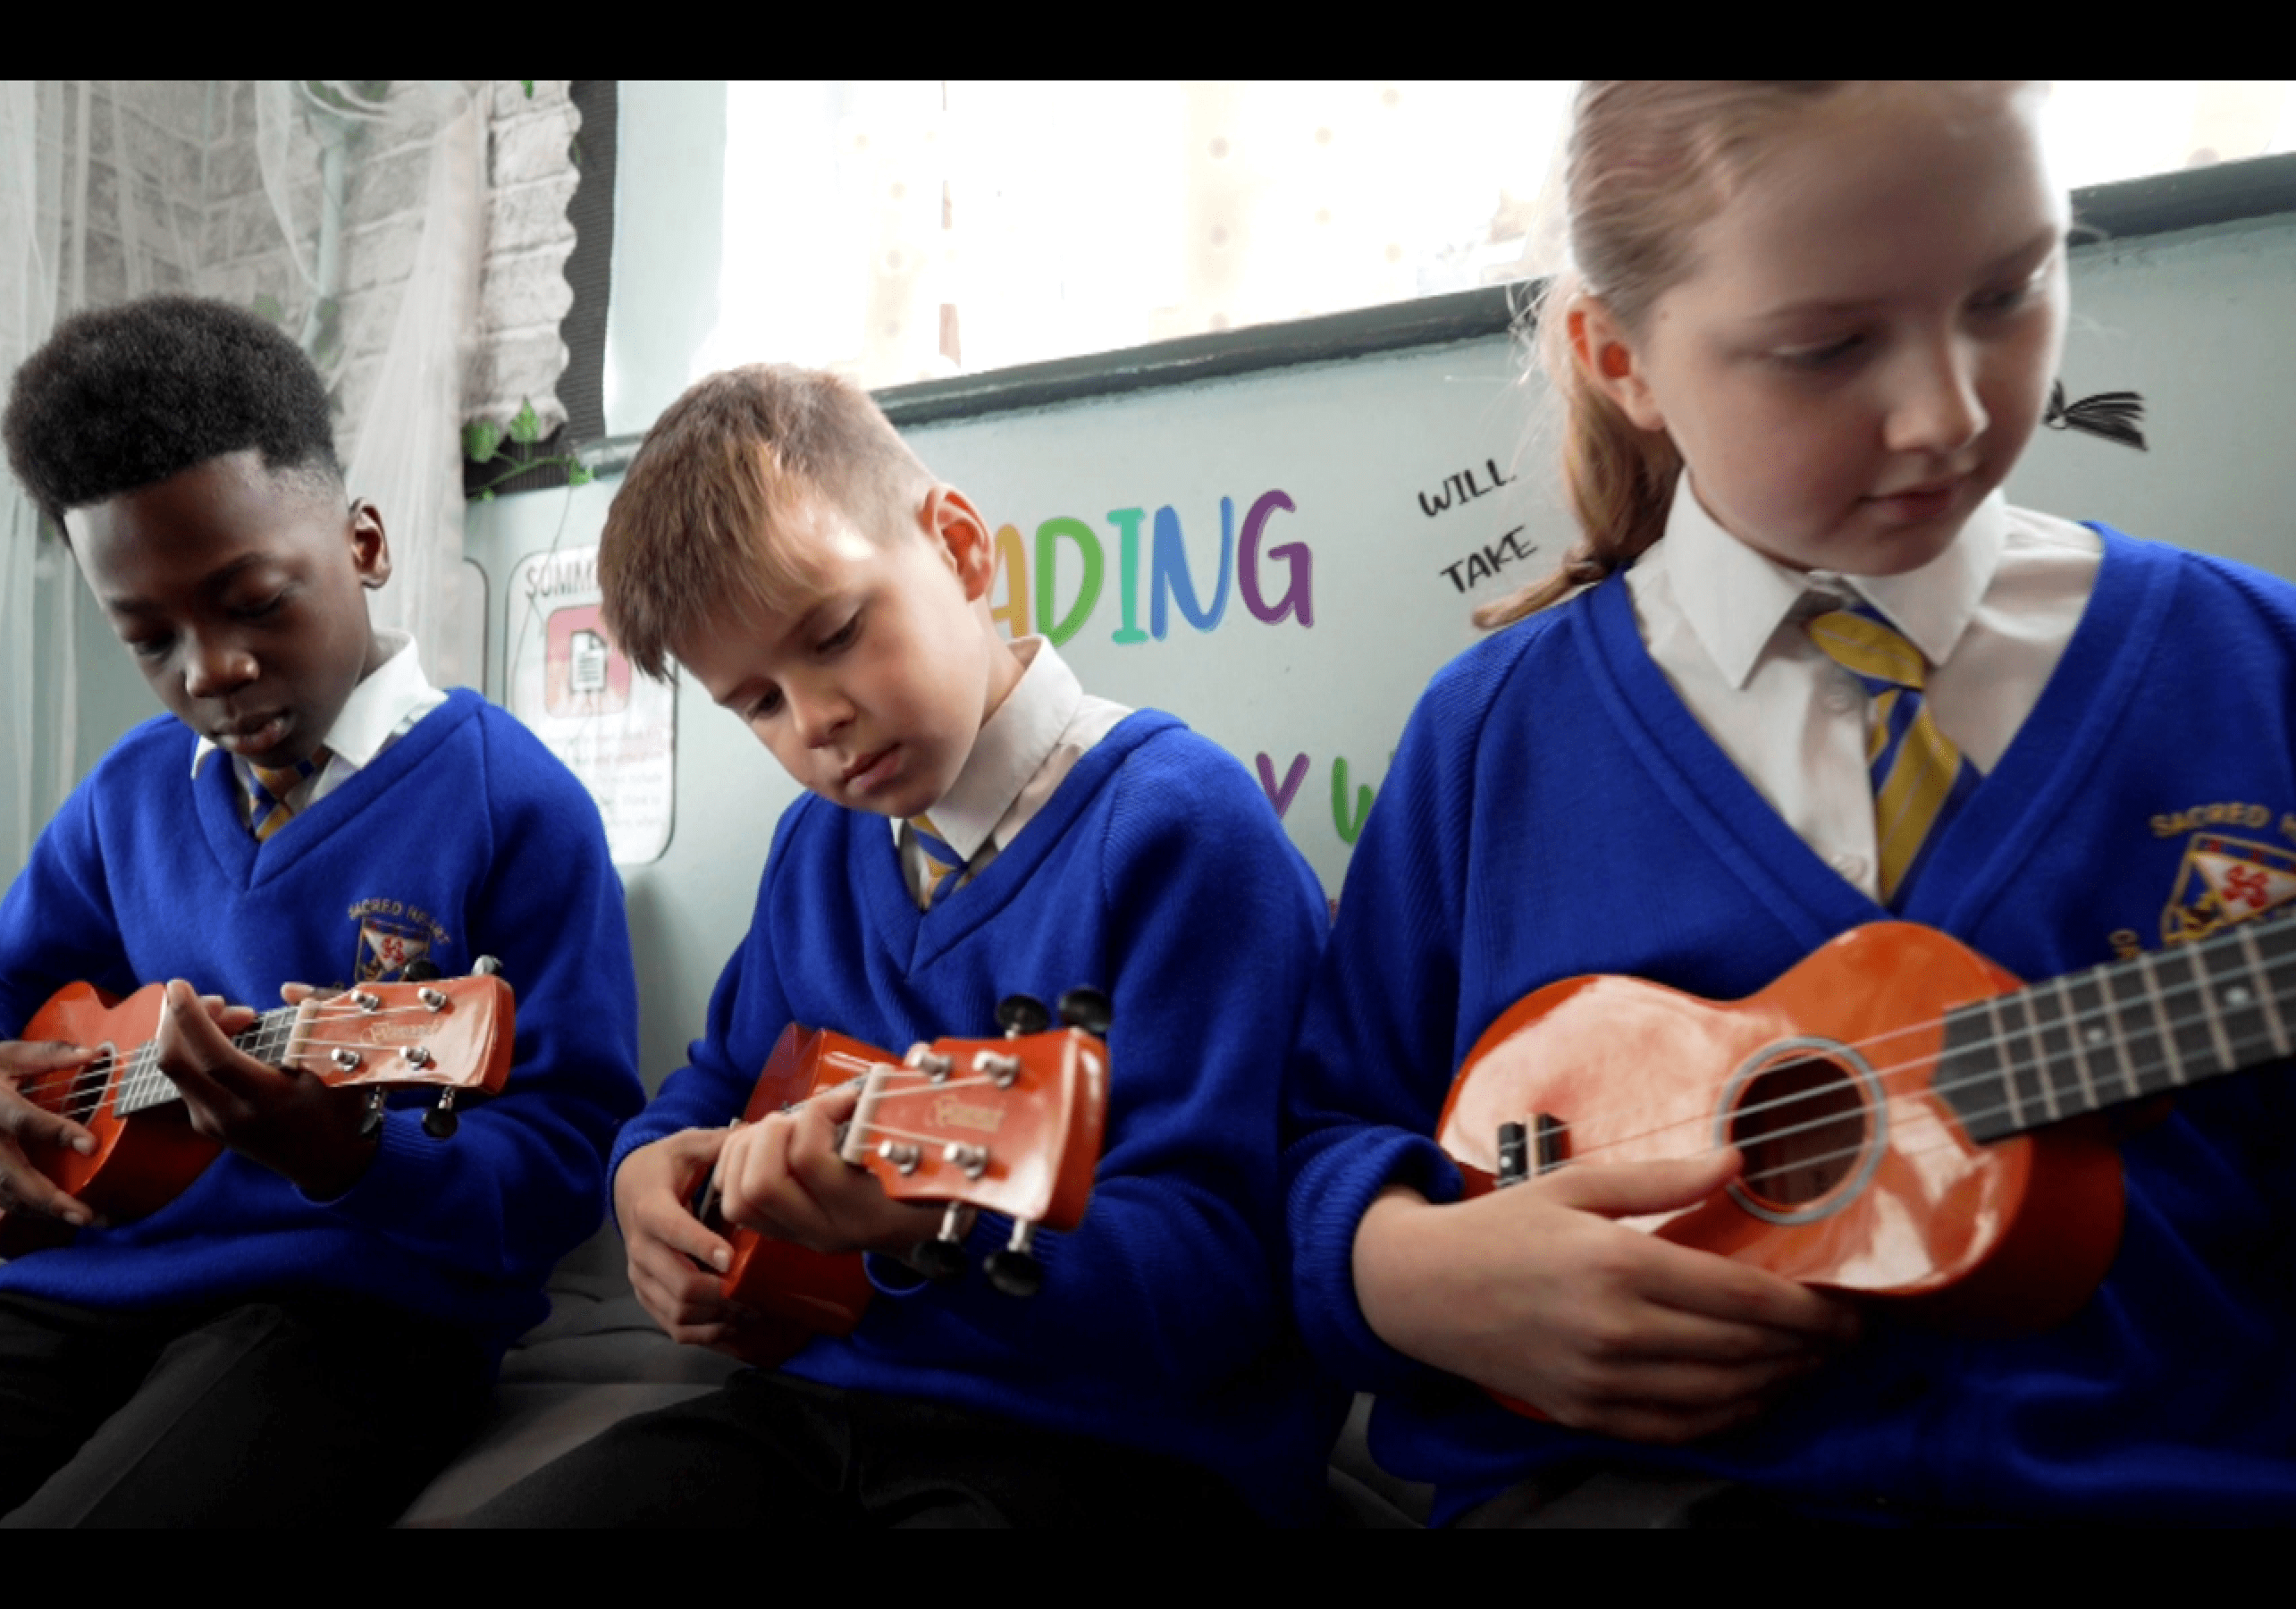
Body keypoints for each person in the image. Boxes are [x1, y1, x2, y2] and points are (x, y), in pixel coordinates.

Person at [1286, 80, 2296, 1525]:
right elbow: (1321, 1130)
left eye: (2011, 291)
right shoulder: (1493, 735)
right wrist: (1400, 1273)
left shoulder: (2255, 672)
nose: (1949, 412)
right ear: (1621, 359)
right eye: (1827, 348)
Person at [0, 296, 643, 1528]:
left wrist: (353, 1158)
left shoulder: (516, 805)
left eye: (254, 600)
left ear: (364, 543)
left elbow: (568, 1161)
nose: (209, 669)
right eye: (150, 639)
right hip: (91, 1287)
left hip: (365, 1315)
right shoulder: (130, 793)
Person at [467, 365, 1332, 1527]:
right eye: (758, 703)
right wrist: (643, 1178)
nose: (815, 721)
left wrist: (932, 1222)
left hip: (1111, 1444)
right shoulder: (815, 847)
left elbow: (1221, 1274)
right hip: (816, 1403)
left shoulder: (1180, 829)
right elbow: (717, 1083)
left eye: (834, 634)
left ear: (962, 549)